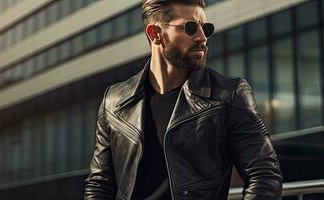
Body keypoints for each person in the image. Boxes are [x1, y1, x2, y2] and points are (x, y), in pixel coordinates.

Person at [84, 0, 283, 199]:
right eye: (190, 28)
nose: (202, 37)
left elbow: (265, 175)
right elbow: (100, 185)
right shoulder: (115, 101)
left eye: (206, 28)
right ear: (155, 34)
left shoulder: (229, 95)